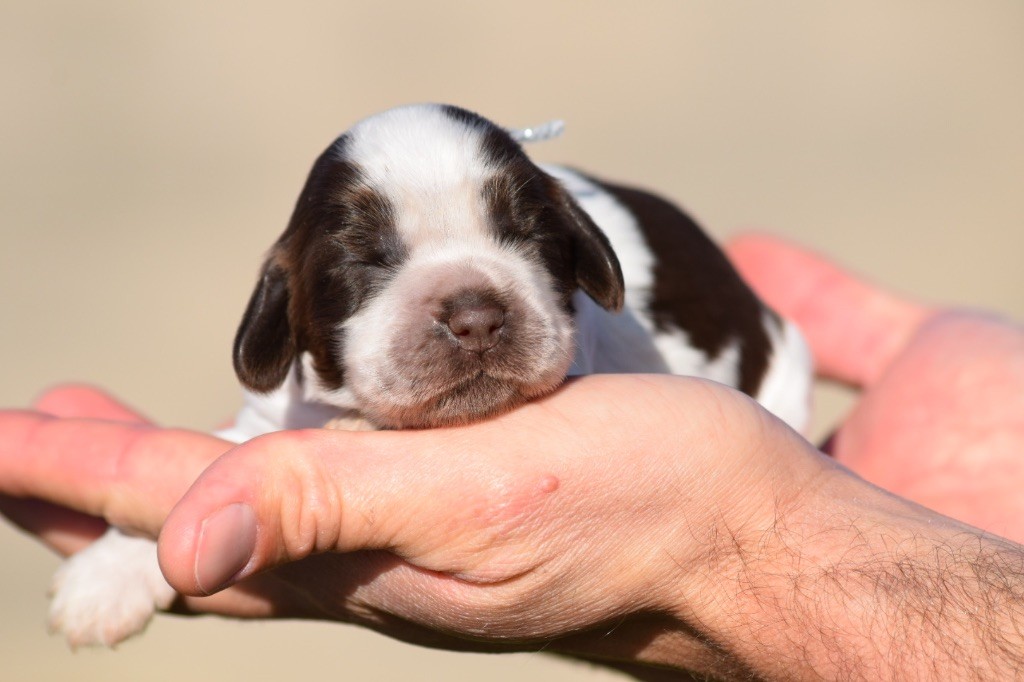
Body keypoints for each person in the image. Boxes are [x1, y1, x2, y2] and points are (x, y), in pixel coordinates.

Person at [1, 234, 1022, 680]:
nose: (473, 322)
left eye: (521, 249)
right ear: (287, 310)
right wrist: (146, 541)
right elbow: (252, 451)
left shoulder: (609, 329)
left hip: (763, 404)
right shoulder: (295, 371)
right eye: (372, 264)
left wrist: (769, 537)